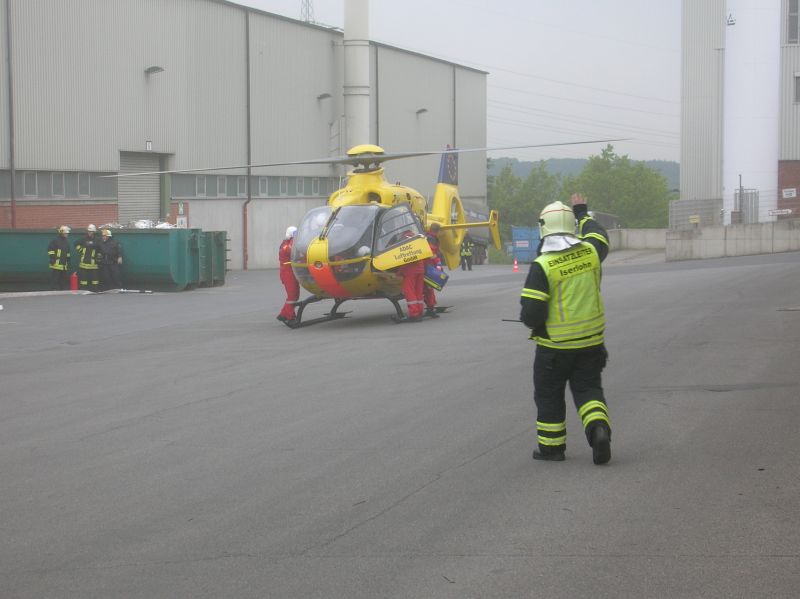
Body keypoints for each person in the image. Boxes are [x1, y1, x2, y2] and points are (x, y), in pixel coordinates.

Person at [519, 193, 612, 465]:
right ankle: (598, 428)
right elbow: (599, 234)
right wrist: (582, 212)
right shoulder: (591, 252)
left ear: (543, 228)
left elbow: (532, 314)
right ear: (572, 225)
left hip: (554, 349)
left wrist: (532, 321)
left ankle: (552, 448)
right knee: (589, 390)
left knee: (549, 396)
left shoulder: (543, 265)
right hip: (591, 344)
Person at [396, 230, 425, 321]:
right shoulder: (416, 240)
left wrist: (399, 273)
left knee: (410, 292)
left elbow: (405, 260)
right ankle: (420, 311)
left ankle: (414, 314)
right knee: (418, 292)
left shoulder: (405, 243)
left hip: (410, 271)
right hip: (420, 270)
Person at [277, 226, 299, 326]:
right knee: (292, 296)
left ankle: (283, 314)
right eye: (295, 234)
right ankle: (290, 316)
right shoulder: (288, 245)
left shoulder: (286, 243)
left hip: (289, 271)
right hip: (288, 273)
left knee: (294, 295)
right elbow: (294, 251)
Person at [423, 222, 443, 318]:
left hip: (427, 266)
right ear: (437, 231)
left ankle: (430, 307)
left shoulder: (428, 237)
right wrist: (438, 263)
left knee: (428, 289)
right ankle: (430, 308)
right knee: (428, 289)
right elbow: (432, 254)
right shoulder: (431, 239)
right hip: (428, 267)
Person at [74, 224, 102, 291]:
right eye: (88, 231)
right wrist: (81, 250)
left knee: (95, 278)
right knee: (84, 278)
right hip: (84, 262)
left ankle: (95, 289)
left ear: (94, 232)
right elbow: (75, 243)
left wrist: (99, 257)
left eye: (91, 231)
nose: (89, 233)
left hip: (93, 263)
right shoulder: (83, 239)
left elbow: (100, 248)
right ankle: (84, 289)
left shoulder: (98, 239)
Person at [47, 225, 72, 290]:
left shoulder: (66, 241)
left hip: (63, 264)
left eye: (67, 233)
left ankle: (62, 289)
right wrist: (52, 258)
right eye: (65, 233)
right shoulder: (55, 240)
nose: (67, 234)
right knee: (55, 278)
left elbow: (67, 251)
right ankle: (53, 289)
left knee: (63, 279)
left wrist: (68, 259)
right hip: (56, 264)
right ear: (62, 233)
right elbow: (50, 250)